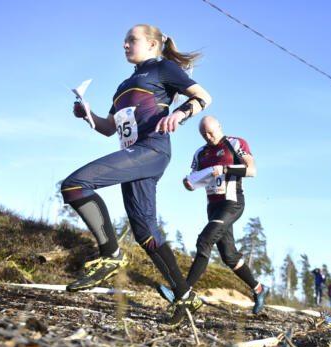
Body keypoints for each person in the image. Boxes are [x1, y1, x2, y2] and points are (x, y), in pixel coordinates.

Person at [60, 24, 211, 325]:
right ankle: (185, 296)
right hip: (134, 154)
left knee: (75, 185)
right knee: (145, 232)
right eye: (125, 41)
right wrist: (87, 115)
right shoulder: (123, 86)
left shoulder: (163, 68)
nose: (125, 45)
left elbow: (203, 96)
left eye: (132, 40)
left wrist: (180, 113)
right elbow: (109, 128)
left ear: (153, 45)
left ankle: (111, 254)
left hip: (152, 150)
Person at [180, 116, 269, 319]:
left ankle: (182, 292)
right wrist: (188, 184)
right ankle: (259, 288)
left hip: (232, 203)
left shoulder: (235, 143)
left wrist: (225, 169)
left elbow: (252, 170)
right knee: (229, 256)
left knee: (204, 241)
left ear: (219, 127)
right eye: (204, 134)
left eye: (211, 132)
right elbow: (195, 179)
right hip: (213, 207)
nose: (208, 137)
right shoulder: (200, 153)